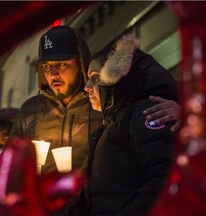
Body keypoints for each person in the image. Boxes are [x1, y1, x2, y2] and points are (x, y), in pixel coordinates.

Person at [11, 25, 180, 175]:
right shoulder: (30, 111)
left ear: (80, 63)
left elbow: (148, 98)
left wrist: (183, 108)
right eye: (47, 66)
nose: (53, 73)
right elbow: (10, 166)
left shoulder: (102, 102)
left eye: (62, 64)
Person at [83, 34, 178, 215]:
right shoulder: (117, 120)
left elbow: (166, 178)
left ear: (116, 77)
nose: (87, 87)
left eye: (95, 78)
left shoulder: (144, 113)